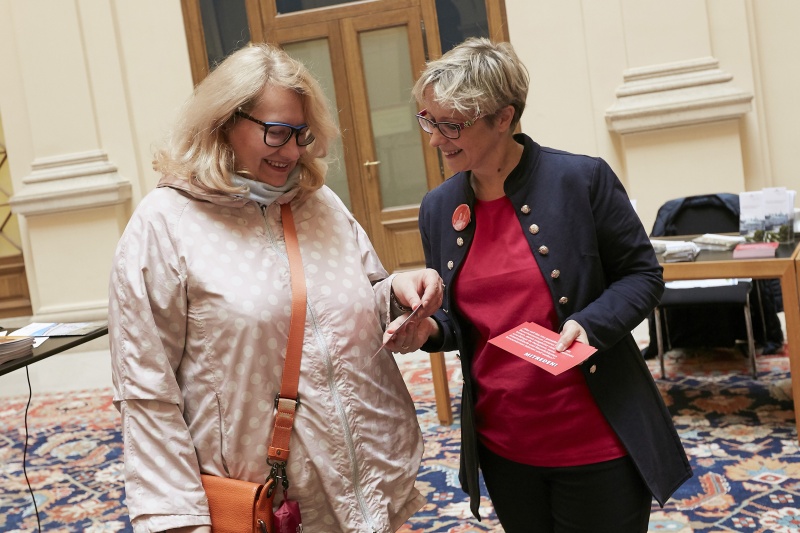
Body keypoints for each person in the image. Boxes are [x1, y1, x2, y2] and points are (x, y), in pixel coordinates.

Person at [108, 43, 443, 533]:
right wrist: (176, 520)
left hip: (364, 489)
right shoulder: (165, 226)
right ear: (224, 121)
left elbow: (347, 306)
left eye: (301, 134)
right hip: (267, 504)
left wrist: (395, 292)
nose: (291, 151)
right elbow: (146, 392)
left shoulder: (319, 203)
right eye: (277, 133)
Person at [407, 38, 692, 532]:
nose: (435, 138)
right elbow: (458, 322)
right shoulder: (438, 208)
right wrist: (428, 331)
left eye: (451, 124)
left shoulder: (581, 181)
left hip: (594, 441)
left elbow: (643, 275)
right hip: (504, 447)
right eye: (428, 120)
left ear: (503, 117)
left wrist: (591, 324)